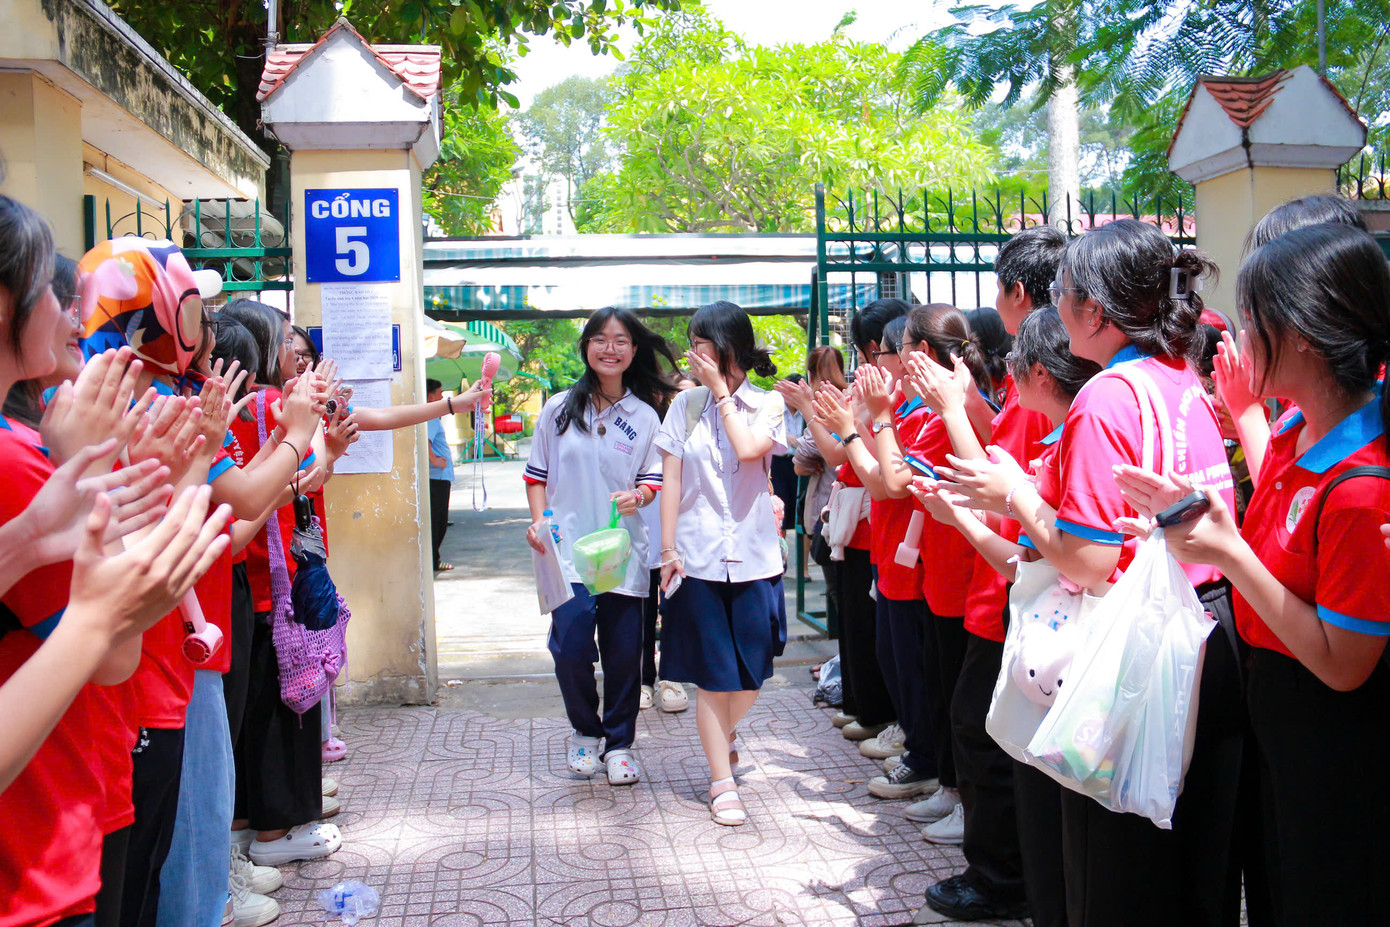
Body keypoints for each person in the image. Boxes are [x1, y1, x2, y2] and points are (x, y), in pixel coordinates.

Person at [939, 220, 1243, 927]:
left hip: (1132, 650)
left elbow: (1089, 557)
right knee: (1193, 865)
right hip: (1205, 629)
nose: (1052, 304)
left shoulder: (1106, 397)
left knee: (1115, 872)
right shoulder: (1180, 379)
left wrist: (1016, 492)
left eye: (1061, 291)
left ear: (1094, 311)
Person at [1116, 222, 1390, 925]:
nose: (1232, 337)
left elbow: (1343, 664)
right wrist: (1189, 526)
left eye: (1250, 318)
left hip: (1331, 736)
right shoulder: (1298, 430)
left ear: (1300, 333)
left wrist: (1228, 551)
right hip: (1277, 721)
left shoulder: (1364, 483)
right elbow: (1273, 556)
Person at [906, 225, 1068, 924]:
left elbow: (997, 485)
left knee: (988, 734)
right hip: (1009, 578)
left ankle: (1001, 877)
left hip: (1016, 584)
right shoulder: (1043, 375)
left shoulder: (1044, 377)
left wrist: (953, 410)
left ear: (1020, 294)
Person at [524, 307, 675, 785]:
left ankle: (621, 744)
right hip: (568, 553)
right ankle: (585, 733)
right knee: (569, 648)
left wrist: (640, 496)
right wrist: (539, 522)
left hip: (623, 554)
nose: (611, 349)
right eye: (601, 339)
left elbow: (653, 479)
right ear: (586, 346)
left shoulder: (646, 416)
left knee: (625, 654)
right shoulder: (558, 409)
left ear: (634, 351)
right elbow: (536, 477)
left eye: (622, 340)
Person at [655, 300, 788, 825]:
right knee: (712, 675)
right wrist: (667, 550)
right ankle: (721, 779)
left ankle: (725, 733)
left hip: (754, 555)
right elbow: (671, 480)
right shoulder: (682, 407)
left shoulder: (768, 403)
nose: (695, 353)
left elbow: (750, 449)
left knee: (754, 669)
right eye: (693, 343)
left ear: (730, 348)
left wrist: (720, 394)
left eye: (704, 344)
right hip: (697, 557)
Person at [426, 378, 455, 573]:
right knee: (438, 522)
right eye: (440, 393)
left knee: (439, 521)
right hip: (436, 479)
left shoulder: (432, 418)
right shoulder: (430, 418)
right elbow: (426, 442)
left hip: (439, 478)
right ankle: (433, 561)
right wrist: (435, 460)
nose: (442, 396)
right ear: (430, 397)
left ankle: (433, 559)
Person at [770, 372, 805, 535]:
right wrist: (784, 438)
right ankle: (781, 554)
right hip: (779, 463)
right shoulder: (775, 409)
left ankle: (803, 559)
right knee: (779, 509)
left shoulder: (806, 412)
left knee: (799, 510)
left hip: (801, 463)